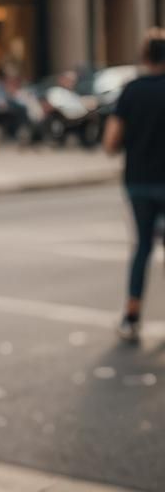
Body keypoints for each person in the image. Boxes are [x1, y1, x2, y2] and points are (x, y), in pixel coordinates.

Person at [103, 27, 165, 343]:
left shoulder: (131, 91)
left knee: (142, 246)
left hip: (138, 181)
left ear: (144, 57)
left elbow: (111, 142)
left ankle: (131, 314)